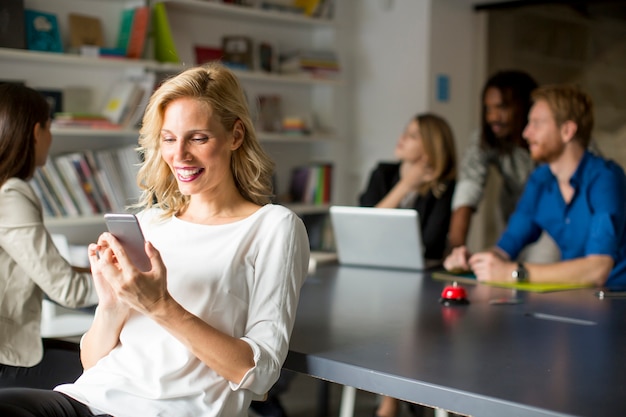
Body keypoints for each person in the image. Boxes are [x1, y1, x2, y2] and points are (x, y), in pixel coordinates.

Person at [0, 62, 310, 417]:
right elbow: (91, 360)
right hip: (89, 397)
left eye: (198, 138)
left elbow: (260, 373)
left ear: (235, 136)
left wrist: (160, 305)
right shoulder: (149, 222)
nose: (179, 155)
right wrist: (113, 304)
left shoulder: (273, 227)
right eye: (168, 138)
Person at [444, 84, 626, 288]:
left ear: (567, 131)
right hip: (579, 299)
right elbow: (506, 247)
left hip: (617, 299)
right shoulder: (539, 180)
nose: (525, 133)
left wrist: (514, 273)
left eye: (536, 124)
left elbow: (598, 269)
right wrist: (475, 262)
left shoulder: (605, 178)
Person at [359, 113, 457, 417]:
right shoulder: (383, 173)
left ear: (430, 148)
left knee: (406, 319)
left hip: (421, 284)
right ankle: (395, 399)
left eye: (412, 135)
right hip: (373, 279)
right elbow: (363, 226)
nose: (402, 138)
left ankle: (389, 403)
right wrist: (406, 185)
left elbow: (429, 243)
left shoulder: (445, 186)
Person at [0, 83, 96, 390]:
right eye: (49, 127)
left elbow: (50, 275)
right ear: (35, 132)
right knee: (115, 373)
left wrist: (106, 271)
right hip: (7, 361)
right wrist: (133, 286)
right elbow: (68, 290)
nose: (51, 137)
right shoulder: (12, 194)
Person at [448, 70, 538, 250]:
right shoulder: (486, 137)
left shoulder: (551, 138)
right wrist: (456, 248)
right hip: (513, 211)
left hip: (554, 217)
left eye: (502, 107)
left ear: (527, 106)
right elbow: (469, 186)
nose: (492, 117)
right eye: (488, 109)